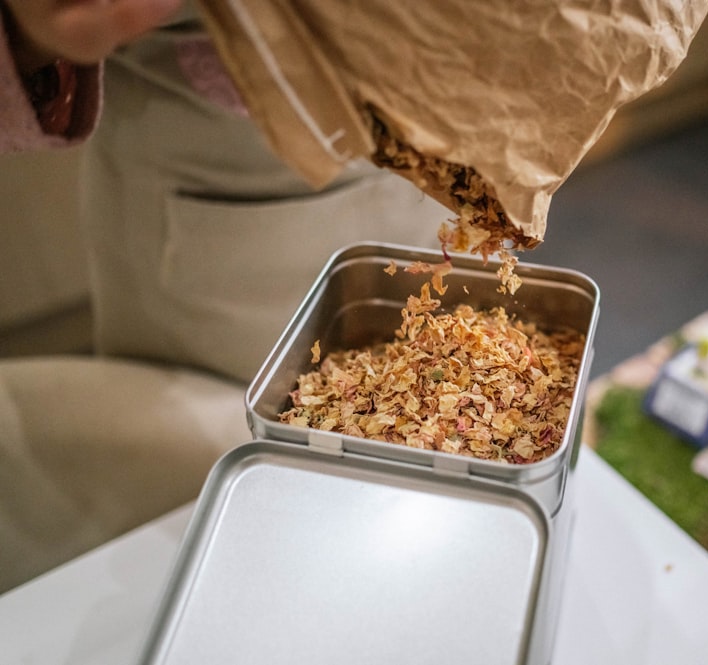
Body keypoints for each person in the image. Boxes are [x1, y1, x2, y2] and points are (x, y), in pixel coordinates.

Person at [0, 0, 449, 592]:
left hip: (437, 130)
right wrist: (25, 32)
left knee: (416, 457)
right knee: (244, 518)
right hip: (211, 176)